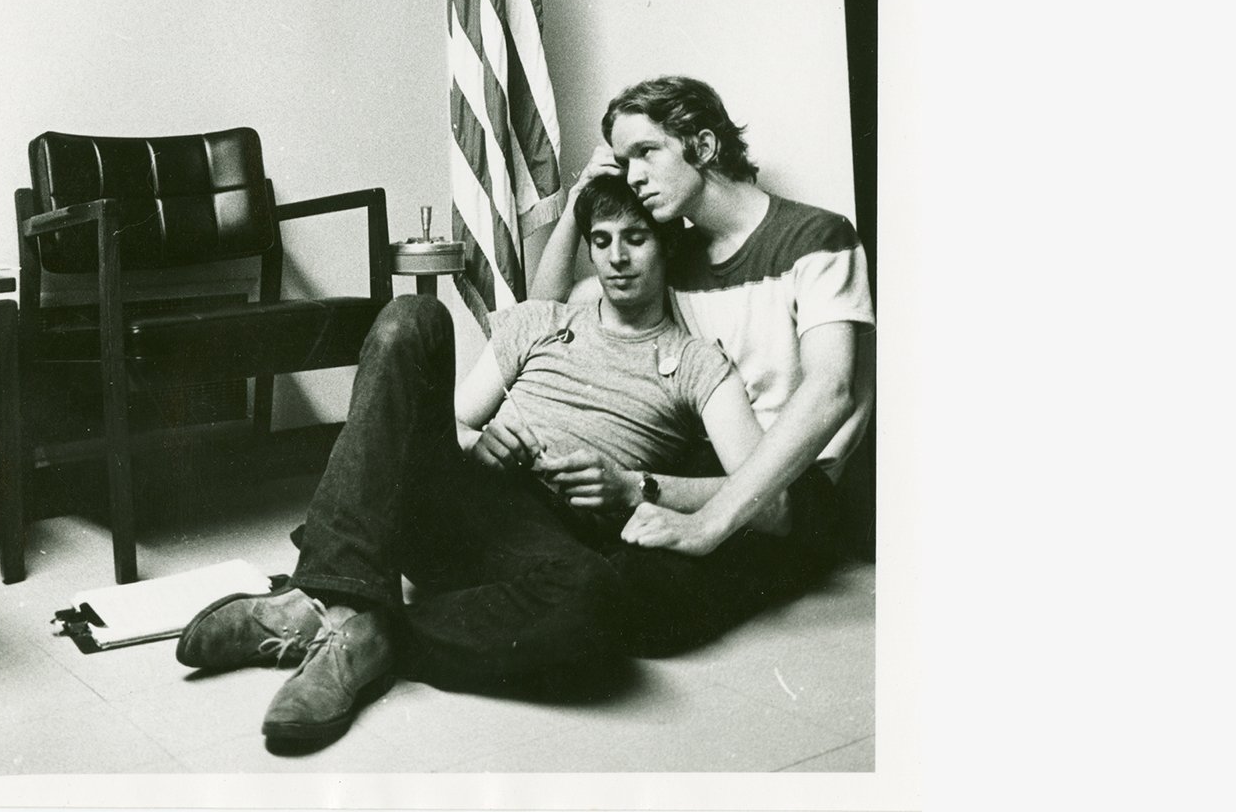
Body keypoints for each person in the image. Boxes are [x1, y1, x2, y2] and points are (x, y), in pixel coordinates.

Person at [173, 173, 774, 747]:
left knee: (591, 594)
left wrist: (630, 486)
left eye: (636, 239)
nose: (616, 257)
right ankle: (321, 596)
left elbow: (765, 497)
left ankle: (361, 631)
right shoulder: (542, 321)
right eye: (602, 240)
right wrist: (476, 443)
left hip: (542, 537)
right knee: (413, 318)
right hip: (460, 494)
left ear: (666, 243)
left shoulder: (696, 363)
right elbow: (449, 421)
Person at [531, 74, 875, 563]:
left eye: (646, 151)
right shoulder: (677, 258)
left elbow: (831, 391)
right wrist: (578, 204)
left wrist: (705, 524)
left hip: (795, 487)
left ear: (705, 146)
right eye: (624, 161)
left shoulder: (817, 237)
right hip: (694, 468)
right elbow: (548, 312)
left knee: (618, 580)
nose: (632, 177)